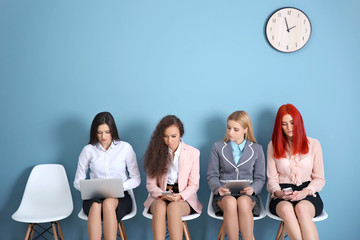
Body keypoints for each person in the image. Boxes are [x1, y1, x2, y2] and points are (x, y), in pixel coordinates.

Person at [74, 112, 141, 240]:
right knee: (95, 206)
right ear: (94, 132)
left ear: (113, 131)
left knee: (109, 203)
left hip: (120, 196)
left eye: (107, 132)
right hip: (94, 197)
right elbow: (77, 181)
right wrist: (88, 187)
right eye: (99, 132)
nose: (103, 136)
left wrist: (120, 186)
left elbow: (136, 179)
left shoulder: (125, 148)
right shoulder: (88, 150)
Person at [267, 104, 325, 240]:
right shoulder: (272, 146)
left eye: (292, 123)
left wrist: (304, 192)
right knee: (287, 210)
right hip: (283, 194)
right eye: (284, 124)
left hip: (307, 192)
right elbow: (272, 180)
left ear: (298, 122)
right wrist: (278, 192)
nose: (289, 128)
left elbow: (319, 179)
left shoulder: (314, 144)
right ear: (279, 126)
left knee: (301, 209)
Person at [207, 110, 265, 240]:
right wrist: (218, 188)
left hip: (248, 196)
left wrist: (253, 189)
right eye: (228, 128)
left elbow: (260, 178)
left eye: (235, 129)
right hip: (224, 197)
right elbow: (212, 175)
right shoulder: (218, 147)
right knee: (231, 202)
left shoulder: (257, 149)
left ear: (245, 129)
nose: (230, 132)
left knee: (243, 202)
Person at [143, 115, 202, 240]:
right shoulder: (155, 153)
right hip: (160, 196)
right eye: (165, 136)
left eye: (173, 136)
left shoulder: (193, 153)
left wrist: (180, 196)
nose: (169, 140)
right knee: (159, 207)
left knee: (173, 208)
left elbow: (194, 184)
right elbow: (150, 184)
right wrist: (161, 194)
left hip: (184, 198)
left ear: (180, 133)